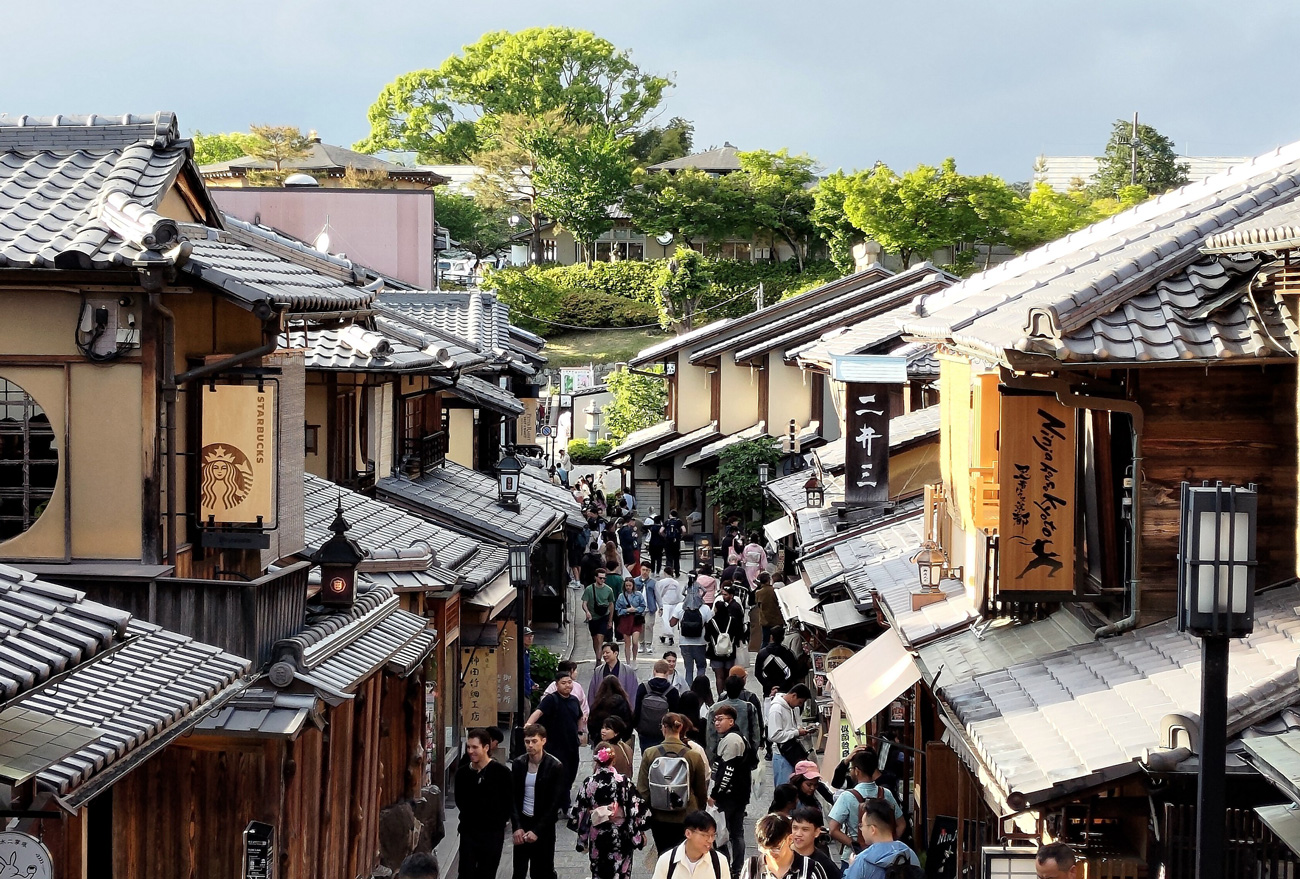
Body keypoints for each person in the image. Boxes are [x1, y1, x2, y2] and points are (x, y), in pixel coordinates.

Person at [573, 744, 650, 879]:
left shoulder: (589, 783)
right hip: (621, 834)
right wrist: (638, 833)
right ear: (613, 761)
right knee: (622, 870)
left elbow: (581, 812)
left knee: (599, 870)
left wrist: (582, 839)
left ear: (596, 761)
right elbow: (634, 809)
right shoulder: (624, 782)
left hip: (598, 833)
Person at [636, 713, 710, 851]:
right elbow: (701, 789)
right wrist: (698, 810)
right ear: (681, 727)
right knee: (684, 853)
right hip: (686, 815)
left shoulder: (650, 753)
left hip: (659, 816)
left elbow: (643, 790)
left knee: (663, 853)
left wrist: (645, 815)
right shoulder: (693, 755)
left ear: (663, 728)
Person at [827, 750, 905, 868]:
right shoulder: (886, 793)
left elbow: (833, 830)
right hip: (884, 857)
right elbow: (902, 824)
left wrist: (854, 845)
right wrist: (890, 842)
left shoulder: (847, 796)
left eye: (852, 769)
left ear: (857, 771)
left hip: (853, 857)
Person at [453, 728, 513, 878]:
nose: (470, 751)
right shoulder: (462, 773)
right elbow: (460, 801)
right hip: (469, 832)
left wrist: (499, 821)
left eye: (475, 747)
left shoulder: (502, 773)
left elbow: (508, 801)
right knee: (465, 872)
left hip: (492, 833)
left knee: (487, 873)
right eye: (468, 747)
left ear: (486, 748)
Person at [511, 724, 566, 879]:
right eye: (527, 741)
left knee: (543, 870)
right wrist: (517, 826)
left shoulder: (554, 766)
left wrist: (537, 830)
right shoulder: (518, 764)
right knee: (519, 870)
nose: (530, 745)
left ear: (543, 741)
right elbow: (513, 797)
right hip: (523, 820)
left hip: (544, 826)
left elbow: (554, 803)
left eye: (534, 741)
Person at [527, 670, 585, 811]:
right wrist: (528, 725)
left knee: (571, 773)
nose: (567, 686)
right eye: (563, 683)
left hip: (572, 745)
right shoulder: (551, 699)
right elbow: (539, 712)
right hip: (556, 746)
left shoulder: (574, 700)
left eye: (569, 682)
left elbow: (579, 717)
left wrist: (581, 732)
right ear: (556, 685)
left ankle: (560, 801)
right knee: (561, 775)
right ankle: (565, 806)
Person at [709, 704, 753, 878]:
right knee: (735, 833)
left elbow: (728, 772)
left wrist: (715, 794)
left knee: (725, 833)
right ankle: (734, 867)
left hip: (731, 795)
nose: (717, 724)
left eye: (720, 720)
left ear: (731, 720)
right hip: (739, 793)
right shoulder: (733, 737)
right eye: (715, 720)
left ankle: (731, 867)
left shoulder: (732, 740)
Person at [842, 801, 920, 879]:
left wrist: (851, 867)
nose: (861, 829)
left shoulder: (862, 861)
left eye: (862, 825)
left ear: (873, 829)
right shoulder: (909, 854)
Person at [752, 813, 838, 879]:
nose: (770, 853)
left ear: (789, 839)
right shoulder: (752, 866)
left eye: (776, 848)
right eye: (765, 848)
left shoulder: (812, 870)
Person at [650, 809, 729, 879]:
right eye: (705, 835)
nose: (710, 840)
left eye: (713, 835)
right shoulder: (666, 861)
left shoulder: (719, 861)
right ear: (688, 833)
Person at [767, 684, 813, 787]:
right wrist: (796, 732)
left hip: (794, 752)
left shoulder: (794, 708)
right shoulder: (776, 710)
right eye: (800, 702)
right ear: (794, 695)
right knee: (785, 789)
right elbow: (774, 736)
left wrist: (804, 730)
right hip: (782, 755)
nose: (799, 705)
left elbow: (797, 726)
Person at [706, 675, 761, 759]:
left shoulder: (714, 708)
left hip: (721, 751)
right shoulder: (749, 707)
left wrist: (712, 754)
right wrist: (753, 751)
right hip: (743, 752)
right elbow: (755, 733)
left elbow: (710, 734)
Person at [668, 580, 713, 682]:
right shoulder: (705, 608)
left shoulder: (680, 607)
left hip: (684, 643)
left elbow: (672, 623)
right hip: (700, 643)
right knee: (701, 667)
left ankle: (689, 691)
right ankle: (700, 688)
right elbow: (710, 626)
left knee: (688, 670)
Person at [633, 659, 682, 751]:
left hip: (645, 731)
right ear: (667, 672)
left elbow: (637, 709)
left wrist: (637, 726)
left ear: (654, 671)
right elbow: (675, 713)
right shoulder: (672, 691)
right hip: (664, 732)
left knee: (647, 755)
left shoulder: (643, 687)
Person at [707, 585, 746, 692]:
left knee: (719, 677)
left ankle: (720, 696)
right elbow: (738, 634)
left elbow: (706, 637)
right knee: (729, 674)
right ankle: (729, 692)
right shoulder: (732, 620)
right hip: (730, 652)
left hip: (715, 653)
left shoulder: (712, 622)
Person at [588, 675, 634, 752]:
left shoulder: (598, 703)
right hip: (619, 741)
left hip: (600, 741)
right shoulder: (622, 702)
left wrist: (595, 737)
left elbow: (591, 723)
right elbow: (628, 722)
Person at [791, 806, 841, 877]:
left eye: (805, 829)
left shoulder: (824, 864)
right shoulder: (779, 855)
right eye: (795, 828)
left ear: (816, 832)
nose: (798, 834)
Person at [583, 570, 617, 657]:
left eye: (604, 578)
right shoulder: (589, 589)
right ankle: (597, 655)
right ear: (596, 577)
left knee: (600, 637)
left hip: (604, 616)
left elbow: (611, 605)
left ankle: (599, 659)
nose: (602, 580)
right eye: (600, 578)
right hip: (593, 618)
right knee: (595, 639)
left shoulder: (609, 590)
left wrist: (610, 620)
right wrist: (587, 612)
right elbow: (584, 603)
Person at [614, 578, 648, 664]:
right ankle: (628, 661)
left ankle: (634, 659)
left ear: (633, 586)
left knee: (635, 641)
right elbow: (617, 609)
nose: (628, 587)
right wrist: (627, 610)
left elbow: (643, 606)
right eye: (626, 586)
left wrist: (636, 609)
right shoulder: (621, 596)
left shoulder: (638, 595)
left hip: (636, 620)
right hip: (625, 619)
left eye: (630, 585)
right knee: (627, 643)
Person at [753, 573, 786, 648]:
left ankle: (763, 655)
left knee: (765, 640)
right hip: (776, 619)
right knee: (778, 640)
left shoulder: (758, 593)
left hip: (765, 620)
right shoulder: (775, 591)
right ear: (768, 580)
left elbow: (758, 605)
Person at [656, 577, 683, 646]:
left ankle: (667, 635)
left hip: (665, 603)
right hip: (673, 604)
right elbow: (679, 594)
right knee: (671, 620)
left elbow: (658, 591)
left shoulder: (662, 582)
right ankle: (668, 637)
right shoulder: (676, 583)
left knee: (665, 620)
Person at [665, 510, 685, 577]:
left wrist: (665, 536)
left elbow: (661, 531)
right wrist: (681, 536)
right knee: (676, 558)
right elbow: (684, 530)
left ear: (670, 515)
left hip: (668, 542)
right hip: (676, 542)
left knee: (669, 558)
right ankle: (677, 573)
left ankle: (669, 572)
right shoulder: (679, 521)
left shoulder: (667, 522)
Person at [521, 626, 539, 698]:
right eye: (527, 636)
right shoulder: (520, 652)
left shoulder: (526, 651)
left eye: (531, 636)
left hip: (526, 689)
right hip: (521, 691)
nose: (530, 638)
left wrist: (531, 683)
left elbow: (526, 673)